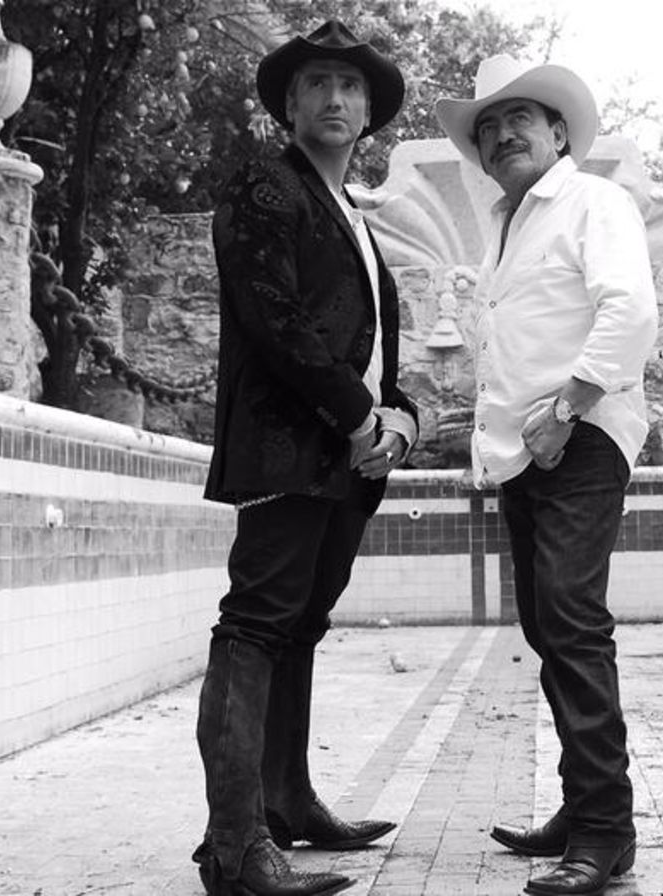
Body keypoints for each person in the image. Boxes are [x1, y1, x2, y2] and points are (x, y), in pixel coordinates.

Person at [193, 20, 418, 896]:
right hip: (285, 449)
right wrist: (359, 416)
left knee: (300, 627)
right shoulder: (265, 185)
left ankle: (286, 801)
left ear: (369, 112)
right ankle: (233, 847)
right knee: (254, 627)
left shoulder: (354, 216)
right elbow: (273, 318)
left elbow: (375, 349)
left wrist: (397, 421)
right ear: (289, 106)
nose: (334, 98)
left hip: (347, 462)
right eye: (317, 83)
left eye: (350, 86)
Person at [435, 56, 658, 896]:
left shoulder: (593, 201)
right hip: (528, 449)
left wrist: (568, 408)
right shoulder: (506, 224)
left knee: (569, 618)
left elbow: (629, 309)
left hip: (581, 434)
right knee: (547, 623)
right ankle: (580, 807)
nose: (501, 135)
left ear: (559, 132)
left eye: (519, 119)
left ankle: (605, 831)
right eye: (488, 127)